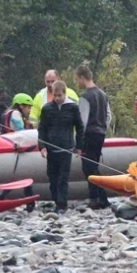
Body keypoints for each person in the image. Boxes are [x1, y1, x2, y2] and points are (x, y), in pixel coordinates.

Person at [37, 81, 84, 214]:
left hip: (66, 148)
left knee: (63, 177)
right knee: (52, 177)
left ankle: (62, 205)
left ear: (65, 93)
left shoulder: (73, 107)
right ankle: (56, 200)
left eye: (59, 95)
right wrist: (42, 145)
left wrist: (79, 146)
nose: (57, 98)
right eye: (55, 95)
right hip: (51, 149)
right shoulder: (47, 108)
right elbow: (42, 129)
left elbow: (79, 127)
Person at [75, 65, 110, 209]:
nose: (77, 82)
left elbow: (81, 121)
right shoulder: (103, 94)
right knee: (95, 165)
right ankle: (101, 197)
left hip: (89, 134)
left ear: (82, 78)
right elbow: (108, 116)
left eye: (77, 79)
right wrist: (103, 129)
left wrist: (78, 143)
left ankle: (95, 198)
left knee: (88, 167)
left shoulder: (84, 97)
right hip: (100, 133)